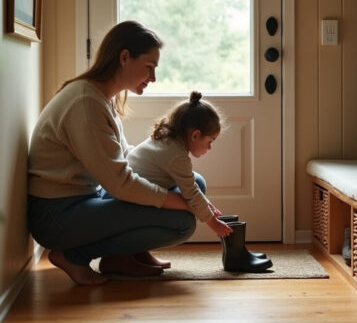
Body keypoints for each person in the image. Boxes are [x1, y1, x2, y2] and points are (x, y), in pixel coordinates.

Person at [27, 21, 208, 286]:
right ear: (125, 57)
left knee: (195, 184)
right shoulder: (86, 103)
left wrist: (169, 172)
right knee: (182, 221)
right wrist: (175, 201)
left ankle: (123, 255)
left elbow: (127, 159)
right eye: (149, 67)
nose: (153, 78)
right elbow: (121, 182)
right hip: (57, 215)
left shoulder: (102, 98)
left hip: (84, 197)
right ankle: (73, 255)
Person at [126, 91, 233, 239]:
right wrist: (215, 224)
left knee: (197, 182)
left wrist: (208, 206)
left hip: (130, 193)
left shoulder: (167, 138)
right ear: (195, 135)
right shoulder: (176, 156)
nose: (209, 148)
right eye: (210, 141)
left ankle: (140, 253)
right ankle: (134, 250)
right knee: (186, 221)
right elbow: (192, 194)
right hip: (130, 204)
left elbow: (191, 187)